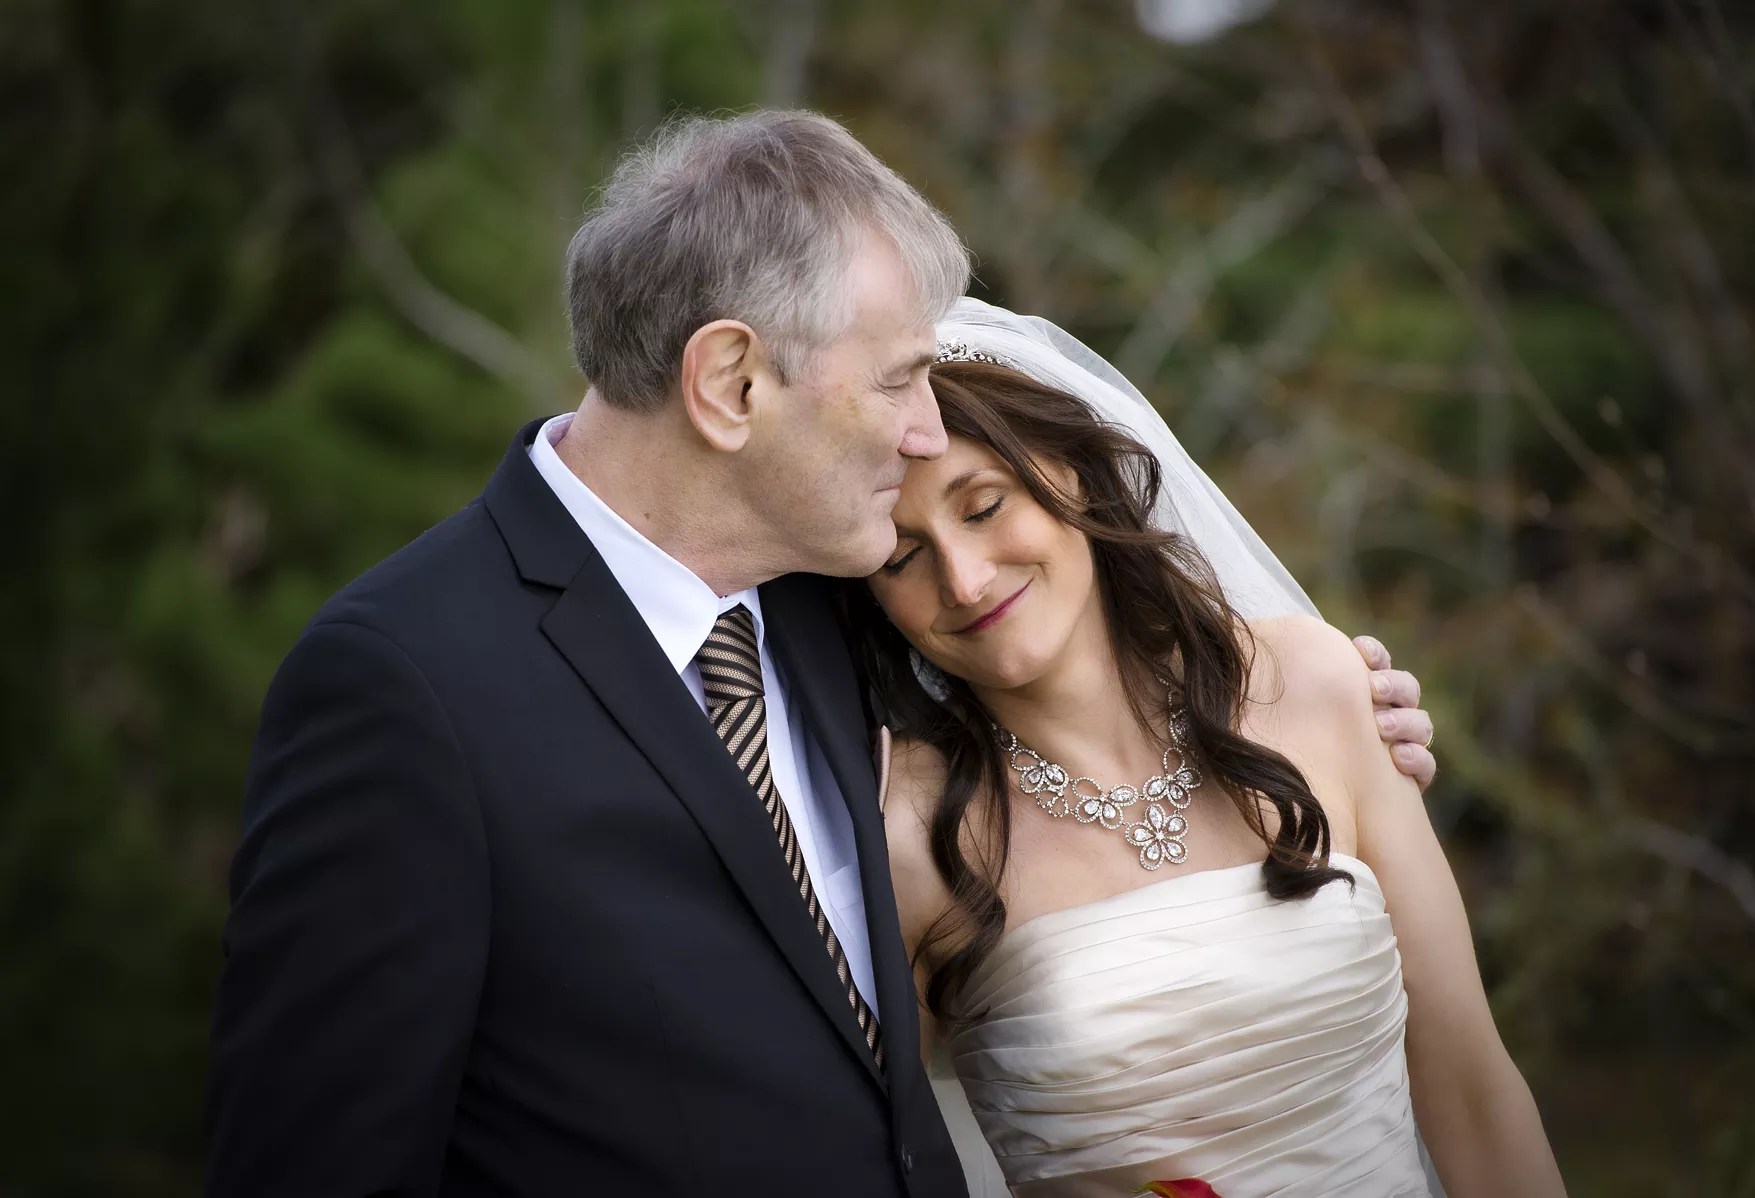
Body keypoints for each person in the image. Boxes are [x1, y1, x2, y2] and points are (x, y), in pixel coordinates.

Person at [203, 111, 1437, 1195]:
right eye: (899, 382)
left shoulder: (829, 607)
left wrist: (1331, 718)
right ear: (732, 383)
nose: (928, 430)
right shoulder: (407, 685)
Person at [847, 300, 1565, 1197]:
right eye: (901, 558)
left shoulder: (1316, 684)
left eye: (984, 507)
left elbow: (1475, 1091)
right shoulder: (908, 834)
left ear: (1072, 471)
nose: (964, 578)